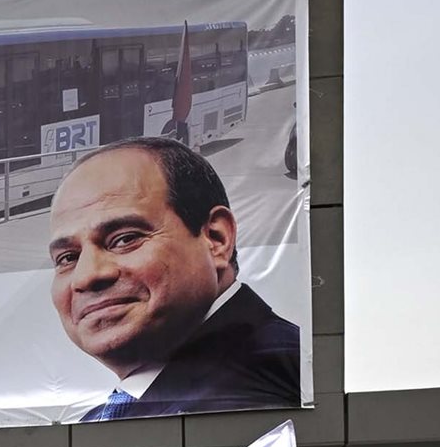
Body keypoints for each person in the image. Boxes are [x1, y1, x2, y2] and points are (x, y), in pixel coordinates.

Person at [48, 138, 301, 420]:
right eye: (67, 258)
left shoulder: (270, 383)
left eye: (125, 239)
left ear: (216, 239)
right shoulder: (110, 417)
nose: (87, 276)